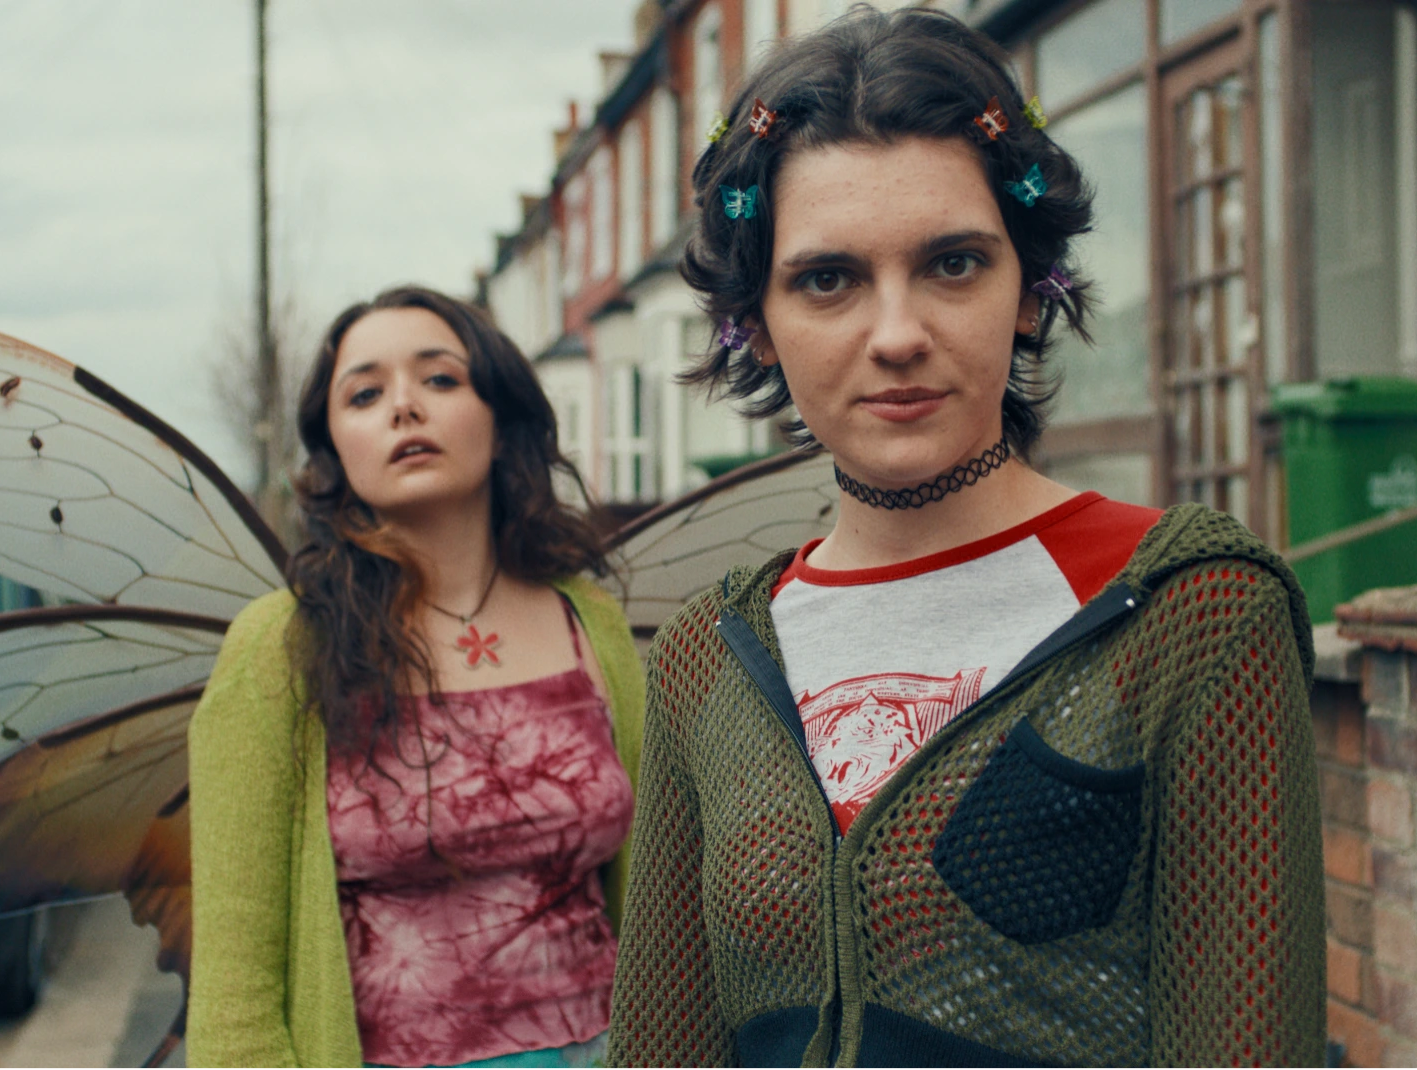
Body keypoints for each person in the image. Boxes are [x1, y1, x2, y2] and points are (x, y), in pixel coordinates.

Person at [607, 9, 1323, 1070]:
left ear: (1032, 291)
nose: (896, 334)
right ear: (755, 323)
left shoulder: (1190, 607)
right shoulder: (709, 655)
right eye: (827, 278)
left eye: (951, 263)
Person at [188, 286, 642, 1070]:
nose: (404, 407)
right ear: (333, 448)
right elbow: (235, 990)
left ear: (500, 422)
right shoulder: (281, 647)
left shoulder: (591, 624)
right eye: (364, 394)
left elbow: (656, 894)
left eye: (439, 379)